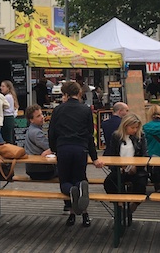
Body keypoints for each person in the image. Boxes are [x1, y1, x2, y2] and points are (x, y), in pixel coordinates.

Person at [48, 81, 104, 228]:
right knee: (80, 179)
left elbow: (51, 133)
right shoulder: (86, 110)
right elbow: (89, 135)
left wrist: (54, 149)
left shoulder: (58, 110)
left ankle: (72, 213)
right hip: (80, 149)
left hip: (63, 148)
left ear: (65, 94)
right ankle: (84, 215)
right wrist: (95, 158)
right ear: (78, 93)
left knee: (65, 182)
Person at [103, 113, 148, 214]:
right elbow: (112, 155)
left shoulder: (141, 136)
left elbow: (144, 155)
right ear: (125, 126)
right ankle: (120, 204)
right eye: (132, 127)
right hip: (120, 169)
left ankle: (133, 207)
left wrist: (136, 166)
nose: (135, 130)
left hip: (137, 170)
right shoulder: (116, 136)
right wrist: (119, 167)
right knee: (109, 182)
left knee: (141, 184)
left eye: (137, 127)